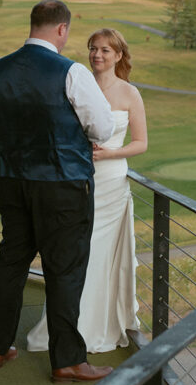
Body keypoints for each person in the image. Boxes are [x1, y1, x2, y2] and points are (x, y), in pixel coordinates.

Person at [0, 0, 115, 382]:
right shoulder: (72, 72)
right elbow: (103, 130)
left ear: (33, 24)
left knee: (11, 263)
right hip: (62, 187)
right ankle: (67, 359)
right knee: (65, 270)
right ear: (61, 30)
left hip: (11, 181)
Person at [27, 28, 147, 353]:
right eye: (93, 49)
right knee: (75, 251)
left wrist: (110, 154)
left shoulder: (130, 94)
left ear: (119, 55)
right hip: (76, 179)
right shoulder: (77, 85)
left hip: (111, 182)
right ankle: (67, 327)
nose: (97, 55)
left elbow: (141, 143)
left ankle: (97, 325)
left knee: (101, 252)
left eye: (105, 50)